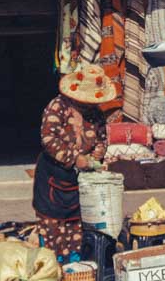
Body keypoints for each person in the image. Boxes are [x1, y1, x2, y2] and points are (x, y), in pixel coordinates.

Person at [34, 63, 114, 260]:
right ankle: (54, 268)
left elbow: (101, 139)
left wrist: (94, 160)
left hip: (80, 180)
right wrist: (74, 158)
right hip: (53, 177)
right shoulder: (57, 107)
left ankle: (75, 268)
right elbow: (48, 138)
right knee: (53, 227)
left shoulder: (95, 113)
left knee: (76, 225)